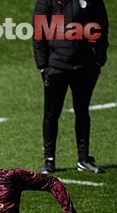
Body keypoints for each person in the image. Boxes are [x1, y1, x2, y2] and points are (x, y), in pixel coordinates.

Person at [34, 0, 109, 174]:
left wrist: (100, 58)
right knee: (52, 113)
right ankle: (49, 160)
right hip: (56, 66)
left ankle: (83, 158)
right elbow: (39, 30)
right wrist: (42, 65)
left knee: (82, 111)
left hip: (85, 65)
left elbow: (101, 25)